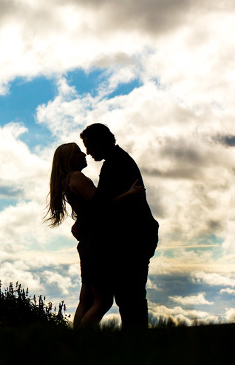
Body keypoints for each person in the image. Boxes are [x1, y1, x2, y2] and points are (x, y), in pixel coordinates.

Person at [47, 142, 144, 328]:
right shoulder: (77, 177)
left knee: (86, 300)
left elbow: (90, 209)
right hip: (97, 243)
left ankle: (76, 343)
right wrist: (129, 195)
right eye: (77, 153)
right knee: (103, 301)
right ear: (69, 159)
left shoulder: (67, 180)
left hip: (88, 243)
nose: (83, 154)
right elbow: (101, 207)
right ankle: (86, 342)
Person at [80, 123, 159, 329]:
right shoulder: (118, 160)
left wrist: (84, 221)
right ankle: (135, 342)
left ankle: (135, 344)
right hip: (135, 237)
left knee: (130, 295)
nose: (87, 152)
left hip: (133, 239)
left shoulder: (115, 164)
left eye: (89, 146)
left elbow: (101, 205)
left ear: (100, 143)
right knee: (130, 296)